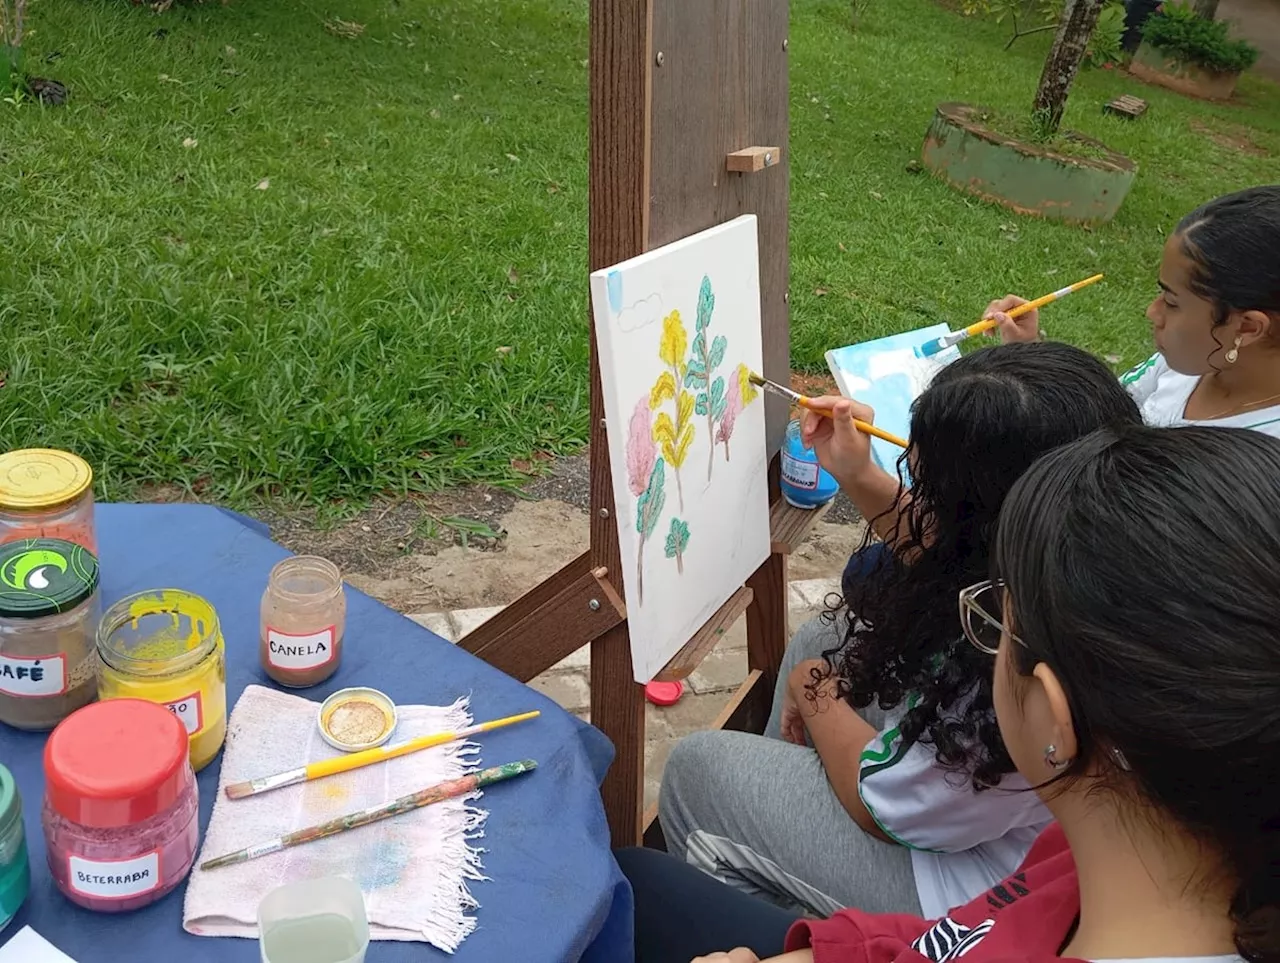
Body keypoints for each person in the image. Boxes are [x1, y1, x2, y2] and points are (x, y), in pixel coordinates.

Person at [620, 424, 1280, 963]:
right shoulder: (1112, 850)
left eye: (995, 617)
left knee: (646, 868)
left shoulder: (1098, 858)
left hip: (926, 859)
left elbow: (890, 813)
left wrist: (818, 700)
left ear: (1053, 716)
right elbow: (957, 936)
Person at [657, 341, 1142, 923]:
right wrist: (855, 471)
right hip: (998, 830)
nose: (913, 485)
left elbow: (887, 811)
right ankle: (766, 838)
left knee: (698, 770)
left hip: (979, 892)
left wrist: (816, 694)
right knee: (823, 639)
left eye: (933, 490)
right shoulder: (1087, 550)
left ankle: (770, 924)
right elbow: (947, 552)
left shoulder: (1023, 655)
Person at [989, 185, 1280, 437]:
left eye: (1172, 302)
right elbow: (1096, 421)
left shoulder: (1263, 462)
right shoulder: (1191, 363)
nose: (1152, 312)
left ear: (1247, 327)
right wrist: (1030, 352)